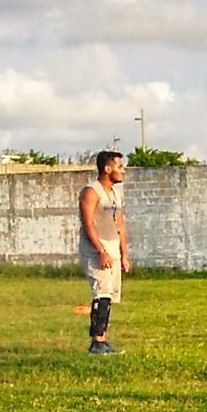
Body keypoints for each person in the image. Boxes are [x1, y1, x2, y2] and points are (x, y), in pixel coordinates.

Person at [77, 150, 129, 355]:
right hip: (97, 250)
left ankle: (103, 340)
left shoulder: (116, 193)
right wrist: (100, 251)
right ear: (107, 169)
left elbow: (120, 224)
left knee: (110, 295)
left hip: (113, 248)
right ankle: (96, 342)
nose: (123, 170)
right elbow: (88, 223)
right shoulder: (91, 192)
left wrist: (124, 254)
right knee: (102, 292)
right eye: (119, 166)